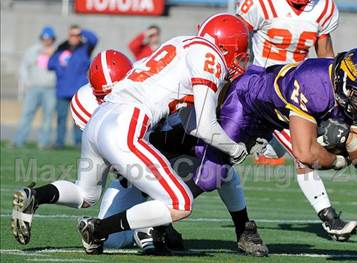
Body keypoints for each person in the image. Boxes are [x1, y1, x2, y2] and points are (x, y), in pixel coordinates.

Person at [10, 14, 265, 256]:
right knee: (180, 202)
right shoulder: (211, 57)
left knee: (85, 194)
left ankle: (36, 196)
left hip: (100, 121)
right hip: (127, 126)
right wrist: (236, 149)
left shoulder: (180, 44)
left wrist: (229, 143)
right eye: (240, 55)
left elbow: (193, 126)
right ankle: (98, 230)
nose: (241, 62)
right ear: (227, 47)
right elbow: (207, 126)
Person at [70, 50, 267, 256]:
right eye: (105, 95)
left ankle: (243, 228)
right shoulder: (88, 104)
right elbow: (108, 155)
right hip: (132, 168)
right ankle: (146, 227)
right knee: (113, 242)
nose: (116, 95)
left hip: (171, 153)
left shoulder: (159, 79)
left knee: (218, 166)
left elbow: (191, 126)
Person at [190, 48, 357, 241]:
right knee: (211, 174)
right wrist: (338, 161)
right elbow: (305, 154)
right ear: (342, 81)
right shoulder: (314, 84)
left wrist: (350, 140)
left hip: (280, 117)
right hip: (247, 101)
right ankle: (167, 210)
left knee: (221, 171)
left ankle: (244, 230)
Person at [235, 0, 356, 240]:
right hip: (260, 86)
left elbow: (324, 53)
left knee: (304, 151)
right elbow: (238, 38)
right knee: (222, 153)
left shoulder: (323, 7)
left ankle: (328, 217)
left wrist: (332, 92)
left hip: (297, 89)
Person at [48, 25, 98, 148]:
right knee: (61, 118)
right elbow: (50, 63)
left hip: (78, 90)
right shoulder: (62, 47)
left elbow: (94, 39)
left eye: (76, 35)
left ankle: (78, 143)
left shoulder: (85, 48)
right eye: (71, 35)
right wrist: (60, 70)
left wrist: (82, 31)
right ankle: (59, 142)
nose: (74, 37)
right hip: (62, 89)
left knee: (79, 119)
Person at [13, 26, 57, 149]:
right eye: (44, 38)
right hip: (34, 88)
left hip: (50, 89)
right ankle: (18, 141)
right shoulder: (33, 50)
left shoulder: (56, 52)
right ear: (41, 38)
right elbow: (24, 67)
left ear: (53, 39)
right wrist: (27, 82)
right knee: (27, 114)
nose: (47, 41)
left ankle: (43, 143)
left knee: (47, 117)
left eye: (49, 38)